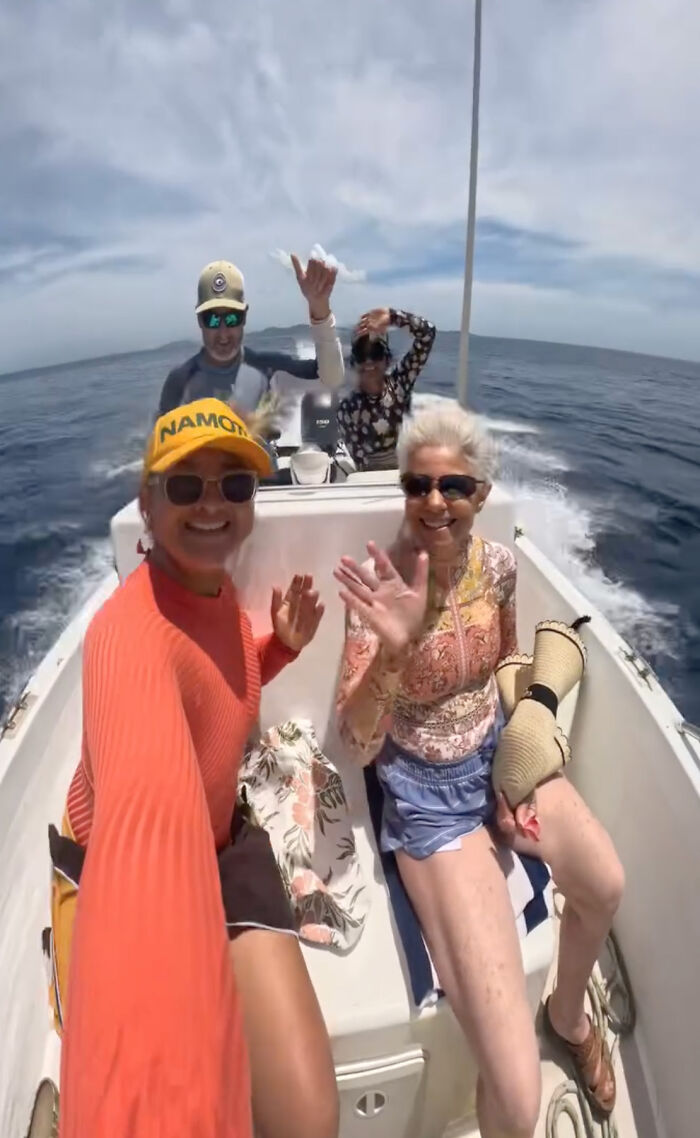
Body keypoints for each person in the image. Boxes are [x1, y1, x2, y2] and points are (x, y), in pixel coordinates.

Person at [49, 399, 338, 1138]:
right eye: (184, 487)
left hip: (221, 835)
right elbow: (147, 824)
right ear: (146, 505)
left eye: (234, 486)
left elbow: (217, 694)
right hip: (119, 864)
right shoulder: (127, 637)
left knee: (310, 1121)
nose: (212, 503)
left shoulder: (216, 592)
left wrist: (279, 650)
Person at [334, 405, 624, 1138]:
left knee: (605, 884)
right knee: (519, 1096)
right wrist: (396, 651)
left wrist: (517, 761)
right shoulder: (381, 584)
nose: (434, 501)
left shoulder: (498, 566)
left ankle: (566, 1015)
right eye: (417, 485)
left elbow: (502, 664)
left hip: (495, 765)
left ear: (482, 494)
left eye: (453, 485)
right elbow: (357, 740)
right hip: (426, 800)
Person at [158, 255, 344, 416]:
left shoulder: (270, 369)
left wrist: (320, 309)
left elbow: (330, 379)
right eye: (212, 320)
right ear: (199, 321)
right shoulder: (179, 381)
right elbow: (165, 444)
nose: (223, 334)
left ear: (244, 317)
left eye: (232, 319)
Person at [336, 306, 436, 470]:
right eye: (362, 354)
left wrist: (394, 317)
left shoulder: (400, 383)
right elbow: (361, 464)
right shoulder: (346, 409)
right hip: (375, 480)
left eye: (375, 353)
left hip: (410, 468)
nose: (369, 361)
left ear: (387, 359)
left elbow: (428, 333)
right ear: (354, 362)